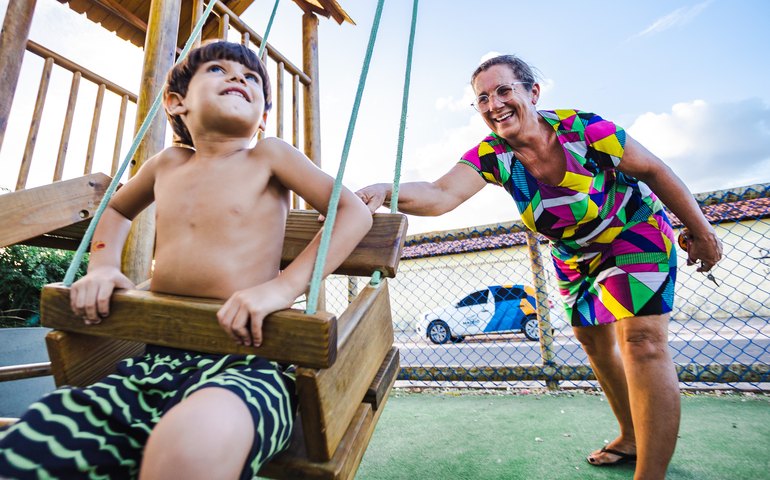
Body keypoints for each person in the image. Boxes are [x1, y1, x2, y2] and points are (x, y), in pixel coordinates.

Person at [0, 41, 372, 480]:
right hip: (151, 362)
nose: (239, 78)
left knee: (192, 447)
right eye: (219, 69)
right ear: (177, 103)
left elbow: (354, 212)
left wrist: (283, 287)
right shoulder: (167, 164)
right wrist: (102, 267)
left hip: (249, 364)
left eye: (252, 78)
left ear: (263, 117)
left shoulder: (270, 156)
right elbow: (116, 210)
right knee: (36, 443)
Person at [357, 54, 722, 479]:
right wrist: (386, 190)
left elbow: (656, 171)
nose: (494, 104)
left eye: (504, 90)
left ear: (532, 92)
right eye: (483, 98)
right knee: (593, 343)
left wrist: (702, 231)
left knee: (642, 341)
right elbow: (440, 194)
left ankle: (651, 474)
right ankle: (630, 436)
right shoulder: (493, 155)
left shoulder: (585, 130)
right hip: (572, 255)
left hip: (632, 232)